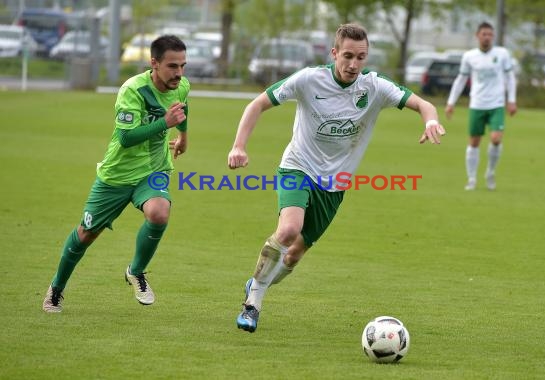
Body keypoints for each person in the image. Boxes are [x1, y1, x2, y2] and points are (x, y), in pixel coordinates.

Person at [227, 23, 446, 333]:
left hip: (335, 184)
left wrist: (431, 120)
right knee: (289, 229)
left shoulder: (375, 87)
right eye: (347, 56)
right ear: (334, 54)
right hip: (297, 167)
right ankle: (253, 303)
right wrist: (238, 146)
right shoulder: (308, 79)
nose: (353, 64)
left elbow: (423, 104)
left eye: (361, 57)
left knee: (293, 256)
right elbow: (258, 104)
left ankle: (258, 282)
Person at [42, 35, 190, 312]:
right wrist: (164, 123)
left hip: (153, 170)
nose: (179, 73)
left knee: (159, 212)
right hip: (117, 175)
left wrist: (182, 136)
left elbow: (182, 108)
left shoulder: (181, 86)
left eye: (183, 65)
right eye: (173, 66)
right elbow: (125, 138)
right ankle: (57, 288)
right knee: (86, 234)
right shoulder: (132, 90)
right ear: (154, 63)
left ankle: (136, 271)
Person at [445, 21, 517, 191]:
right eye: (484, 34)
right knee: (474, 142)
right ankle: (471, 179)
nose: (487, 37)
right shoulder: (469, 56)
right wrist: (451, 102)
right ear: (477, 36)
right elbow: (461, 80)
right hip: (477, 104)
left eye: (490, 34)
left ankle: (490, 172)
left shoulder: (502, 54)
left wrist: (512, 100)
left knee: (496, 139)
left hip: (497, 104)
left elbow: (510, 78)